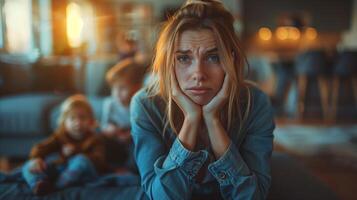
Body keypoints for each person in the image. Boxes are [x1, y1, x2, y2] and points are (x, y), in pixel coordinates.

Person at [130, 0, 275, 199]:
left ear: (231, 61)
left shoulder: (255, 103)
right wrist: (191, 119)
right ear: (167, 64)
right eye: (183, 58)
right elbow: (161, 196)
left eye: (213, 57)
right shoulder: (146, 105)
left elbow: (252, 196)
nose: (198, 73)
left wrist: (213, 121)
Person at [22, 95, 107, 195]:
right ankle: (38, 183)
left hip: (84, 174)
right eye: (72, 118)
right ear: (64, 122)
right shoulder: (60, 136)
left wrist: (76, 152)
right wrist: (36, 158)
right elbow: (41, 147)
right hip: (62, 171)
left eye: (82, 118)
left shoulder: (94, 139)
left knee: (81, 160)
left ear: (91, 121)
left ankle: (57, 186)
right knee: (28, 165)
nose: (78, 123)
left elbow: (99, 160)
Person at [101, 58, 147, 172]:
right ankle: (107, 167)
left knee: (141, 143)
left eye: (122, 88)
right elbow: (104, 126)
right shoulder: (109, 104)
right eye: (114, 88)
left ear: (137, 87)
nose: (116, 93)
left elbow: (144, 128)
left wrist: (130, 135)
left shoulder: (140, 105)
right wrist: (109, 129)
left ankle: (129, 170)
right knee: (99, 139)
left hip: (132, 140)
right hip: (115, 139)